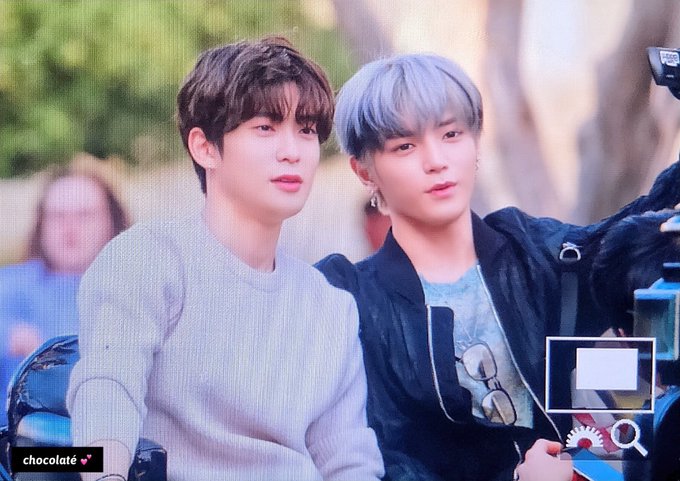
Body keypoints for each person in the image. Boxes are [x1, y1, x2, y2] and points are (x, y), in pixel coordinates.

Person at [315, 53, 680, 481]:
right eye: (405, 146)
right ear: (364, 170)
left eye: (451, 134)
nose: (436, 160)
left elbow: (631, 239)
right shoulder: (349, 300)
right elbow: (381, 459)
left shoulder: (537, 254)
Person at [67, 37, 384, 481]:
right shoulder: (148, 259)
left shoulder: (330, 307)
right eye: (265, 127)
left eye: (307, 129)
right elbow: (106, 392)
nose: (292, 150)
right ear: (205, 147)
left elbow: (348, 462)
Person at [0, 168, 128, 426]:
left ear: (112, 221)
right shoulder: (8, 284)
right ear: (41, 224)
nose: (70, 228)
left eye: (84, 215)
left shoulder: (137, 289)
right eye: (58, 216)